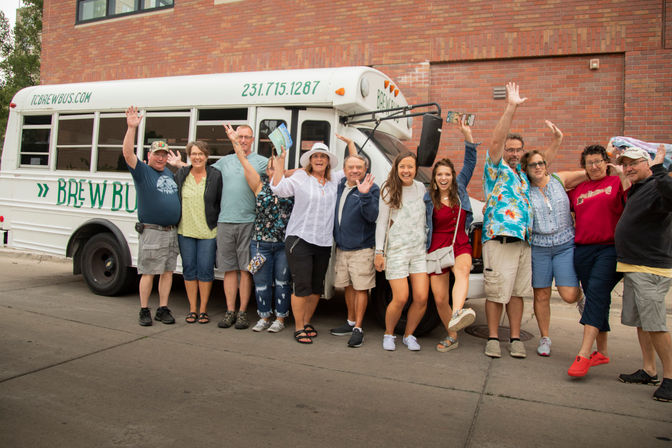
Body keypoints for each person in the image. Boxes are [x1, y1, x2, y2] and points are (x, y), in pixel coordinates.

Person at [481, 82, 562, 359]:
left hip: (525, 244)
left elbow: (543, 163)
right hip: (499, 240)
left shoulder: (523, 175)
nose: (514, 153)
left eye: (518, 150)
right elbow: (495, 141)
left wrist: (556, 142)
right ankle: (493, 337)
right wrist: (511, 107)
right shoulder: (496, 168)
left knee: (517, 294)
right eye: (510, 149)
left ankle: (515, 338)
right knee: (496, 293)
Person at [170, 124, 268, 330]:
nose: (242, 140)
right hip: (224, 222)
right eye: (239, 137)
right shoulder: (225, 162)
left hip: (248, 222)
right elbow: (201, 170)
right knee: (229, 270)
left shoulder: (261, 161)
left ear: (253, 139)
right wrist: (180, 165)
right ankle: (230, 311)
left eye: (246, 137)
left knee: (245, 270)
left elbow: (279, 174)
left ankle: (242, 313)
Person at [270, 141, 356, 344]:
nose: (319, 159)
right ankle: (299, 328)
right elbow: (278, 188)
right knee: (302, 285)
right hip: (299, 238)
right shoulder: (301, 177)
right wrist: (280, 162)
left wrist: (351, 144)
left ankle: (306, 322)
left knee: (317, 286)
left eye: (323, 157)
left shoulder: (335, 179)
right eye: (315, 156)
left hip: (324, 242)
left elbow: (355, 167)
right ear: (310, 160)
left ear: (328, 162)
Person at [614, 145, 672, 402]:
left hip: (650, 267)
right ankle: (650, 369)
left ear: (648, 162)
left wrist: (660, 168)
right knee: (642, 323)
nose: (628, 168)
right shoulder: (640, 188)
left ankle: (670, 377)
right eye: (625, 164)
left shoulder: (659, 185)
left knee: (655, 325)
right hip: (633, 266)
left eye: (634, 163)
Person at [224, 124, 294, 334]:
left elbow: (307, 170)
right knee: (260, 282)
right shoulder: (259, 185)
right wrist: (235, 142)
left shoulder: (291, 186)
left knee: (282, 283)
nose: (273, 170)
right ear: (267, 170)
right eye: (270, 167)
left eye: (277, 167)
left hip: (282, 246)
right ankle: (264, 316)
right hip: (259, 245)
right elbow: (244, 160)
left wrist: (282, 157)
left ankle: (280, 319)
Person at [566, 144, 628, 377]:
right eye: (589, 163)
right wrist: (582, 175)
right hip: (583, 250)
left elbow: (631, 202)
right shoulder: (579, 189)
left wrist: (621, 175)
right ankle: (601, 351)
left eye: (598, 161)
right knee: (595, 295)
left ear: (606, 162)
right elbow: (558, 183)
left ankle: (583, 353)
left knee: (597, 293)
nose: (594, 166)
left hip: (610, 249)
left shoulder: (616, 184)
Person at [521, 145, 587, 356]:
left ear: (546, 165)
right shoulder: (524, 190)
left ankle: (581, 298)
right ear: (526, 169)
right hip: (539, 247)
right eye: (533, 165)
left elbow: (591, 173)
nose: (538, 167)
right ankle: (545, 338)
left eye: (541, 163)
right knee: (541, 294)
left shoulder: (559, 180)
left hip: (564, 245)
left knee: (568, 294)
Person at [123, 106, 181, 326]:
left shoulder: (168, 171)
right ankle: (144, 309)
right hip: (152, 231)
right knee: (148, 272)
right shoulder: (142, 171)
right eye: (157, 154)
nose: (161, 158)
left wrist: (177, 164)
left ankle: (163, 308)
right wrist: (131, 128)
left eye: (164, 154)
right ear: (149, 155)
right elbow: (128, 154)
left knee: (167, 272)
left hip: (171, 232)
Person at [427, 118, 478, 353]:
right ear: (435, 178)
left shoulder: (461, 188)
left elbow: (470, 160)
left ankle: (457, 312)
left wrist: (467, 134)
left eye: (447, 174)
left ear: (452, 176)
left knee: (463, 272)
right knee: (438, 299)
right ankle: (452, 335)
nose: (444, 178)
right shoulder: (428, 199)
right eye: (440, 175)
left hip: (460, 243)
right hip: (436, 247)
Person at [374, 152, 431, 351]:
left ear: (416, 169)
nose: (406, 171)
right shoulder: (389, 189)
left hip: (418, 251)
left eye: (410, 167)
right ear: (396, 168)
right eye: (402, 167)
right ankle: (389, 334)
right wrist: (379, 252)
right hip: (397, 250)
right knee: (400, 297)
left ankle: (409, 335)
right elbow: (381, 222)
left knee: (422, 297)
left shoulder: (421, 188)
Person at [330, 134, 379, 348]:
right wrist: (350, 145)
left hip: (361, 249)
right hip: (342, 248)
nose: (355, 171)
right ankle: (350, 322)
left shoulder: (371, 188)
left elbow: (372, 216)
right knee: (347, 286)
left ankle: (358, 327)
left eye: (359, 167)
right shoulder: (341, 184)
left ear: (365, 170)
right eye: (351, 167)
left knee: (361, 289)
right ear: (345, 169)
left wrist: (365, 195)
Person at [172, 141, 222, 324]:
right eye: (193, 153)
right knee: (189, 270)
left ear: (207, 156)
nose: (197, 157)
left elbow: (219, 201)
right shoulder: (182, 174)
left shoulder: (215, 176)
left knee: (205, 270)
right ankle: (192, 309)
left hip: (208, 231)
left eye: (201, 153)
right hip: (185, 230)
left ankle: (203, 309)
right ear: (189, 156)